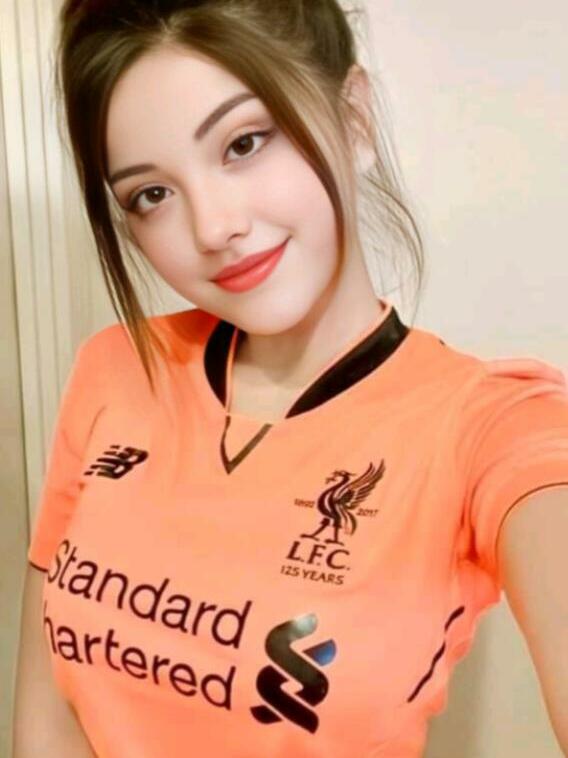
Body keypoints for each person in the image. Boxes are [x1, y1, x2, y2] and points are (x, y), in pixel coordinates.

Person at [12, 2, 568, 757]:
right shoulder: (114, 368)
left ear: (354, 119)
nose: (213, 228)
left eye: (244, 143)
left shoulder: (489, 426)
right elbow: (47, 716)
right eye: (152, 194)